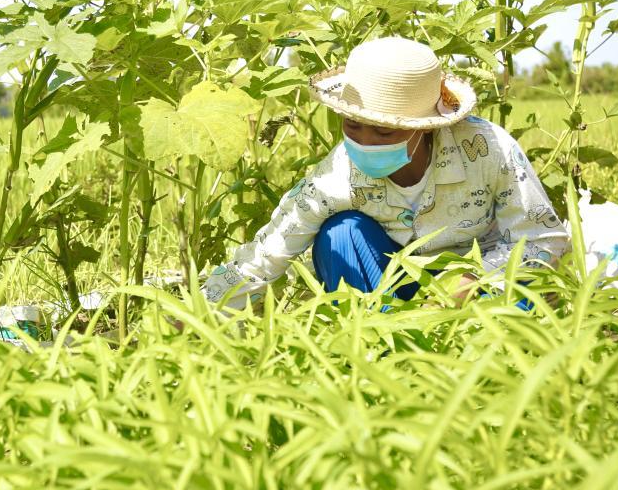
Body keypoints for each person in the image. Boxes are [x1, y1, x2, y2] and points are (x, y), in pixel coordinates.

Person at [201, 36, 570, 308]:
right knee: (340, 234)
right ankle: (378, 339)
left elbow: (542, 239)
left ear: (424, 127)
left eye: (383, 131)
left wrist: (471, 279)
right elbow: (269, 253)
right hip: (389, 284)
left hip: (477, 285)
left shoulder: (486, 149)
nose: (364, 141)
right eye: (352, 125)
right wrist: (201, 311)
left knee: (521, 299)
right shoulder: (337, 174)